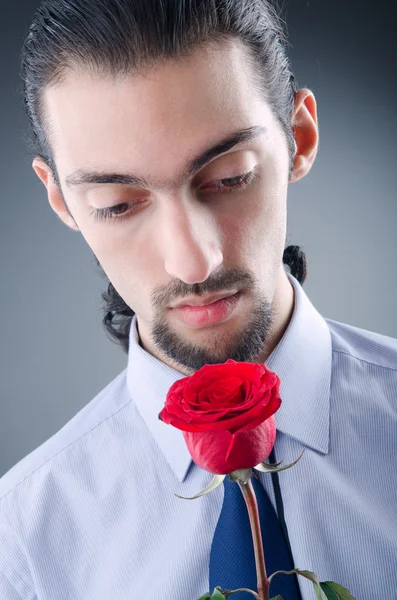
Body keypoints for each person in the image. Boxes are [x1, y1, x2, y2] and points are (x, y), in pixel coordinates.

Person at [0, 0, 395, 598]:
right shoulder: (22, 539)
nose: (194, 262)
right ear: (61, 202)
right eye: (118, 204)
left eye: (229, 176)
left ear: (300, 138)